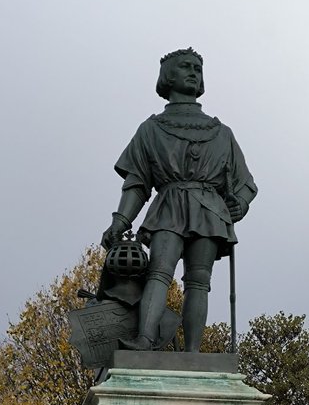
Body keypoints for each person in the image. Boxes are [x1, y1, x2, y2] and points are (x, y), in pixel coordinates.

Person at [101, 48, 257, 352]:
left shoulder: (222, 133)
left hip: (210, 209)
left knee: (199, 281)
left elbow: (246, 183)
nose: (193, 72)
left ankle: (193, 353)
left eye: (197, 68)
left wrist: (240, 201)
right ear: (168, 76)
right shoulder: (150, 129)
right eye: (185, 67)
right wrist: (120, 221)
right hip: (169, 206)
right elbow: (137, 183)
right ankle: (145, 340)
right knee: (159, 272)